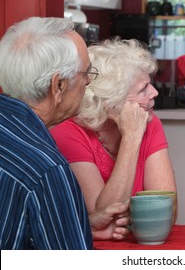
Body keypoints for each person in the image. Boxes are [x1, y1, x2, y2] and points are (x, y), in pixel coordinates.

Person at [0, 17, 130, 250]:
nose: (89, 81)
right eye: (85, 72)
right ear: (58, 86)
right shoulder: (47, 169)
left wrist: (82, 225)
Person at [50, 38, 177, 219]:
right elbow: (101, 217)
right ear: (111, 103)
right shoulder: (68, 133)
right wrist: (131, 138)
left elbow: (166, 212)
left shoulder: (149, 121)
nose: (154, 93)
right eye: (143, 89)